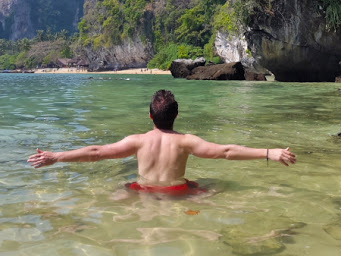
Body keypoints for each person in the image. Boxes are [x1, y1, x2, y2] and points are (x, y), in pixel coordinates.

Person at [28, 89, 296, 195]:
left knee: (122, 188)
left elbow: (97, 152)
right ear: (176, 115)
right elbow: (225, 152)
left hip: (141, 190)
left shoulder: (137, 141)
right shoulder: (187, 142)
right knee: (209, 188)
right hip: (177, 193)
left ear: (150, 115)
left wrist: (56, 156)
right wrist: (268, 152)